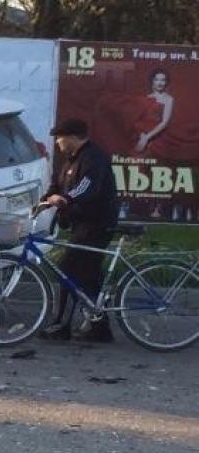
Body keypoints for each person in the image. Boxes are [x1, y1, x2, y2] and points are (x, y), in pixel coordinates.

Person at [39, 118, 119, 343]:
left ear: (73, 137)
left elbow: (87, 187)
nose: (57, 143)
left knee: (68, 269)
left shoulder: (94, 157)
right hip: (82, 223)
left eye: (60, 138)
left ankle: (61, 326)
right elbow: (56, 186)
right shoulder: (70, 161)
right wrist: (43, 202)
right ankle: (100, 329)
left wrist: (64, 199)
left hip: (97, 224)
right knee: (89, 277)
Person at [134, 68, 173, 154]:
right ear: (152, 81)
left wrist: (147, 138)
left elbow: (165, 122)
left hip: (158, 135)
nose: (160, 83)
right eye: (157, 79)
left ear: (166, 82)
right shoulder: (146, 98)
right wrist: (142, 135)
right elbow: (138, 120)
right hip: (141, 134)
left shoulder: (169, 99)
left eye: (163, 80)